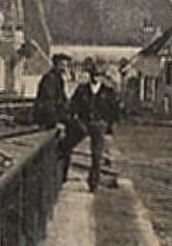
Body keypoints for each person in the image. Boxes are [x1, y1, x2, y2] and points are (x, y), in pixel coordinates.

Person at [69, 60, 120, 192]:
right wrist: (76, 121)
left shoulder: (108, 92)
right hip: (84, 124)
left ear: (102, 77)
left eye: (98, 75)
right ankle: (63, 173)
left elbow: (114, 110)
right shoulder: (82, 90)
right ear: (90, 75)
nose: (96, 77)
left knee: (97, 155)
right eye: (94, 75)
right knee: (66, 145)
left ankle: (93, 183)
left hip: (99, 125)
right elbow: (73, 106)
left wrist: (107, 124)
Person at [32, 52, 81, 179]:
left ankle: (62, 154)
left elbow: (63, 100)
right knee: (78, 130)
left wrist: (70, 113)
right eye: (62, 64)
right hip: (48, 115)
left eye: (66, 64)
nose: (65, 67)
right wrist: (56, 121)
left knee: (78, 129)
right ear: (56, 64)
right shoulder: (50, 79)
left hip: (57, 113)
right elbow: (48, 102)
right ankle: (61, 151)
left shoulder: (58, 79)